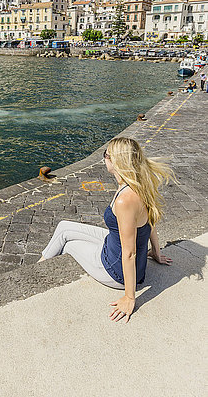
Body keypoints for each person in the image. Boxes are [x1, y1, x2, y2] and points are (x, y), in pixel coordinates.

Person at [38, 137, 173, 323]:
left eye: (105, 155)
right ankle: (39, 264)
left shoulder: (125, 200)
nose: (104, 158)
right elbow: (151, 222)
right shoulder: (141, 184)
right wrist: (156, 253)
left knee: (68, 245)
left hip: (115, 270)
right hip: (117, 248)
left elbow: (129, 253)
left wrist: (129, 298)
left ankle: (36, 274)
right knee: (64, 227)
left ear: (116, 161)